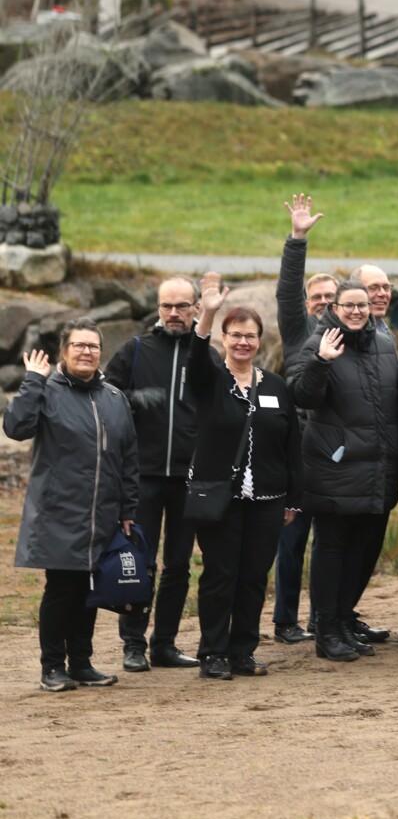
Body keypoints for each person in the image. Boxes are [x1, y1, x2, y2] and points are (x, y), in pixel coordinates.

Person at [10, 322, 139, 692]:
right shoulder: (46, 391)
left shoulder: (115, 397)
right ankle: (52, 667)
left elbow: (129, 457)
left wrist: (128, 508)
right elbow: (16, 427)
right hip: (58, 514)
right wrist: (33, 380)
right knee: (62, 590)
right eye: (79, 345)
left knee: (89, 591)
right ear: (64, 351)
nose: (87, 352)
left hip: (103, 515)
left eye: (93, 346)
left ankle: (81, 663)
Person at [186, 280, 303, 679]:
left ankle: (242, 650)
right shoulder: (209, 381)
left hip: (268, 498)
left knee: (254, 576)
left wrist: (293, 498)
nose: (243, 343)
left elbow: (292, 445)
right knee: (221, 575)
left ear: (259, 340)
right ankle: (213, 652)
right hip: (220, 496)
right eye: (235, 336)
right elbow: (195, 358)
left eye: (250, 337)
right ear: (224, 339)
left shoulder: (275, 386)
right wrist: (208, 312)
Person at [289, 280, 398, 662]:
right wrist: (321, 362)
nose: (356, 311)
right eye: (348, 305)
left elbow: (397, 404)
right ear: (334, 308)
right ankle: (325, 630)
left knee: (363, 551)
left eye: (362, 305)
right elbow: (303, 398)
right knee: (332, 549)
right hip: (335, 469)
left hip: (378, 469)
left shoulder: (385, 345)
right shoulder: (319, 343)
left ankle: (342, 622)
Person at [103, 276, 203, 674]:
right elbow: (104, 394)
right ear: (158, 309)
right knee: (137, 560)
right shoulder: (138, 348)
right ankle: (133, 643)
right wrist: (134, 399)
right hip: (142, 475)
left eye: (182, 306)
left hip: (188, 478)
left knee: (179, 565)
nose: (174, 313)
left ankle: (165, 643)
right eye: (167, 306)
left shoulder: (206, 353)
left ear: (197, 308)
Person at [271, 194, 342, 646]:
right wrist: (297, 240)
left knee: (330, 546)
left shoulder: (350, 336)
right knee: (292, 543)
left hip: (336, 458)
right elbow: (287, 292)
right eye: (316, 297)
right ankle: (285, 621)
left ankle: (325, 617)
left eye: (329, 297)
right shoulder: (299, 333)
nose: (322, 303)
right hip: (297, 455)